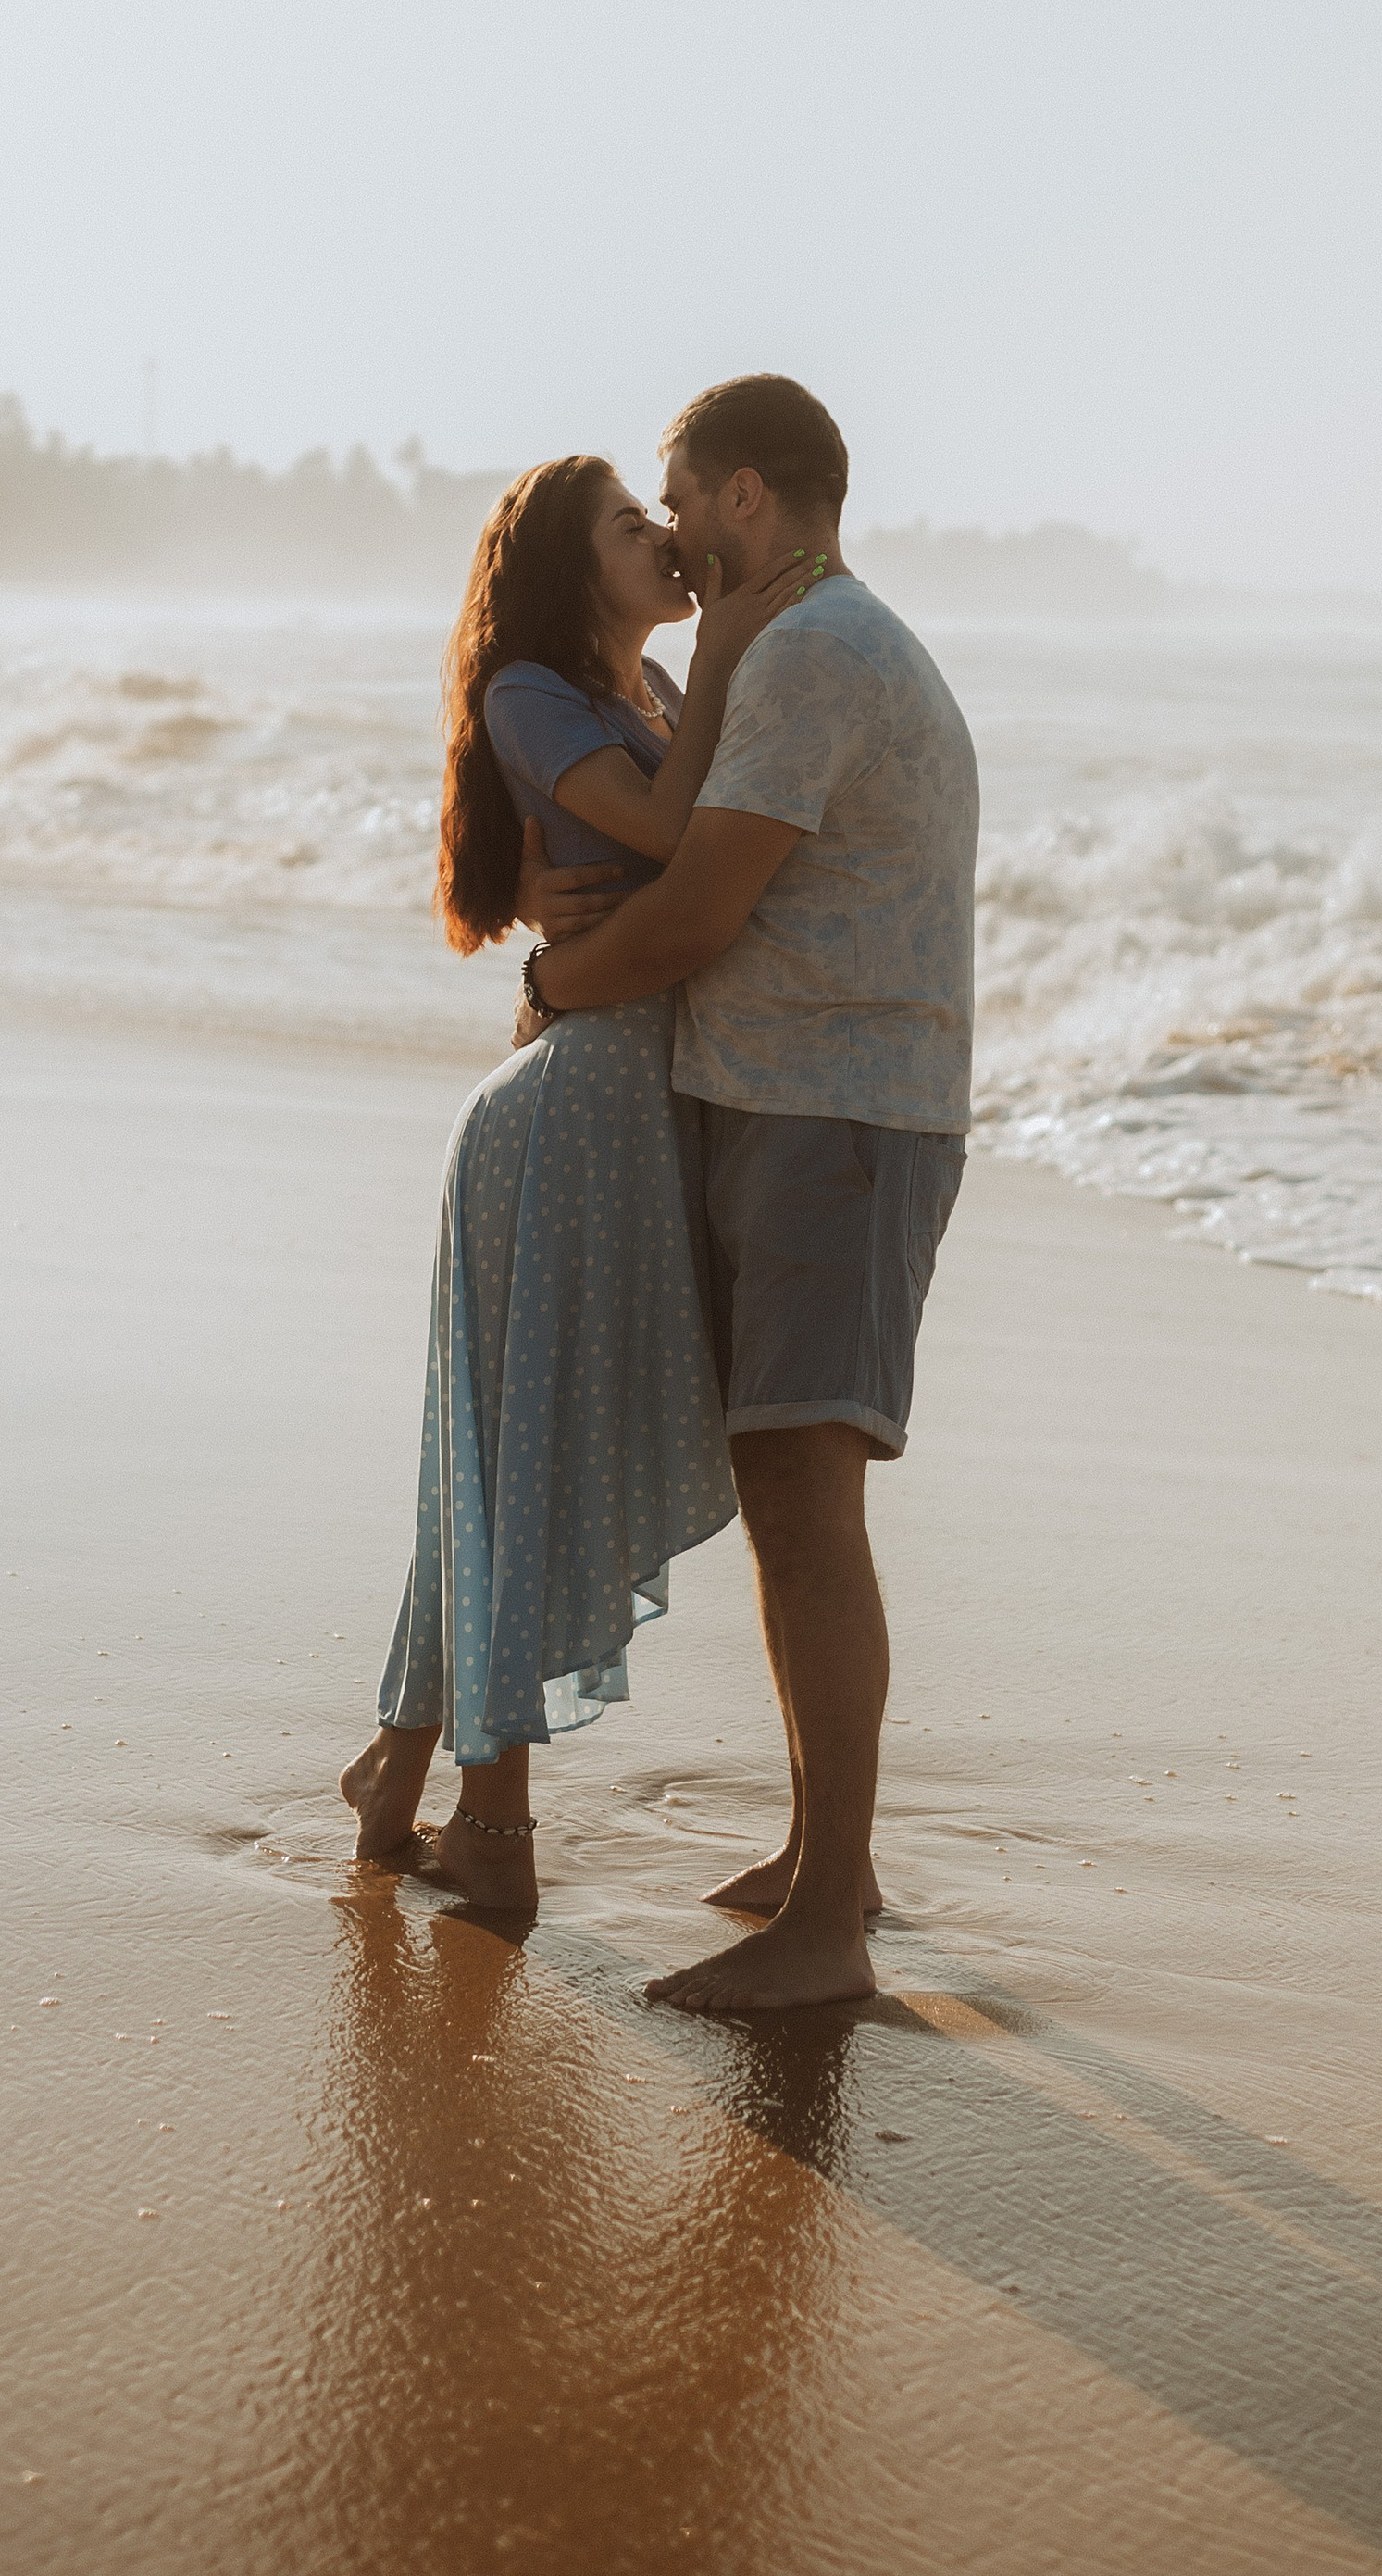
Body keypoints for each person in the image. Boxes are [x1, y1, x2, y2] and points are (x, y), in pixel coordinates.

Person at [512, 375, 980, 2012]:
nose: (679, 538)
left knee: (806, 1506)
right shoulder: (794, 647)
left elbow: (705, 909)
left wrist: (561, 986)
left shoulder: (809, 656)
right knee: (794, 1507)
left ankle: (830, 1925)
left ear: (749, 499)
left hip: (835, 1120)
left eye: (684, 498)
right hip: (804, 1105)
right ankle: (820, 1866)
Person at [339, 454, 817, 1907]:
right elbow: (685, 842)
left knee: (501, 1460)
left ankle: (400, 1762)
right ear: (570, 570)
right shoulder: (535, 695)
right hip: (564, 1119)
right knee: (522, 1459)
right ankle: (493, 1820)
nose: (665, 540)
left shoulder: (660, 701)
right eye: (633, 526)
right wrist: (734, 628)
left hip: (632, 1109)